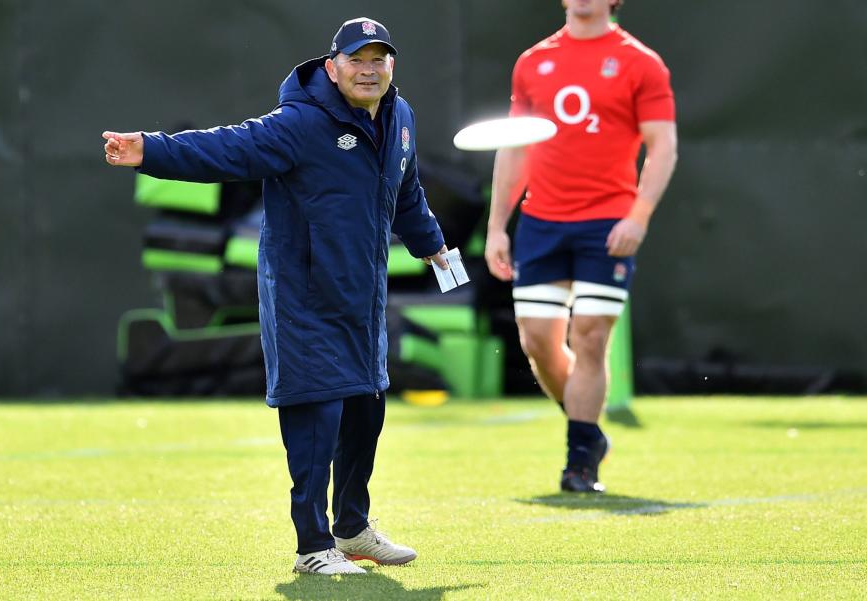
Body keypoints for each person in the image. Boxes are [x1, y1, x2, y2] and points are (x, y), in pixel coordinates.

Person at [103, 17, 448, 575]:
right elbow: (228, 149)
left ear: (392, 67)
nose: (368, 69)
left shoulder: (399, 118)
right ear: (333, 68)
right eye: (357, 60)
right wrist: (150, 150)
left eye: (378, 59)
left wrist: (432, 246)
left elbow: (406, 190)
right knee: (317, 413)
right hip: (302, 299)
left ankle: (354, 529)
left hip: (362, 300)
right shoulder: (300, 124)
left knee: (366, 409)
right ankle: (313, 547)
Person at [484, 0, 678, 493]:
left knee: (590, 336)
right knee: (538, 345)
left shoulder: (640, 61)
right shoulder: (533, 61)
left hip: (607, 223)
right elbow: (514, 148)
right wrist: (497, 226)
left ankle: (579, 464)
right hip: (542, 222)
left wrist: (639, 215)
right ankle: (589, 431)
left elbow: (663, 146)